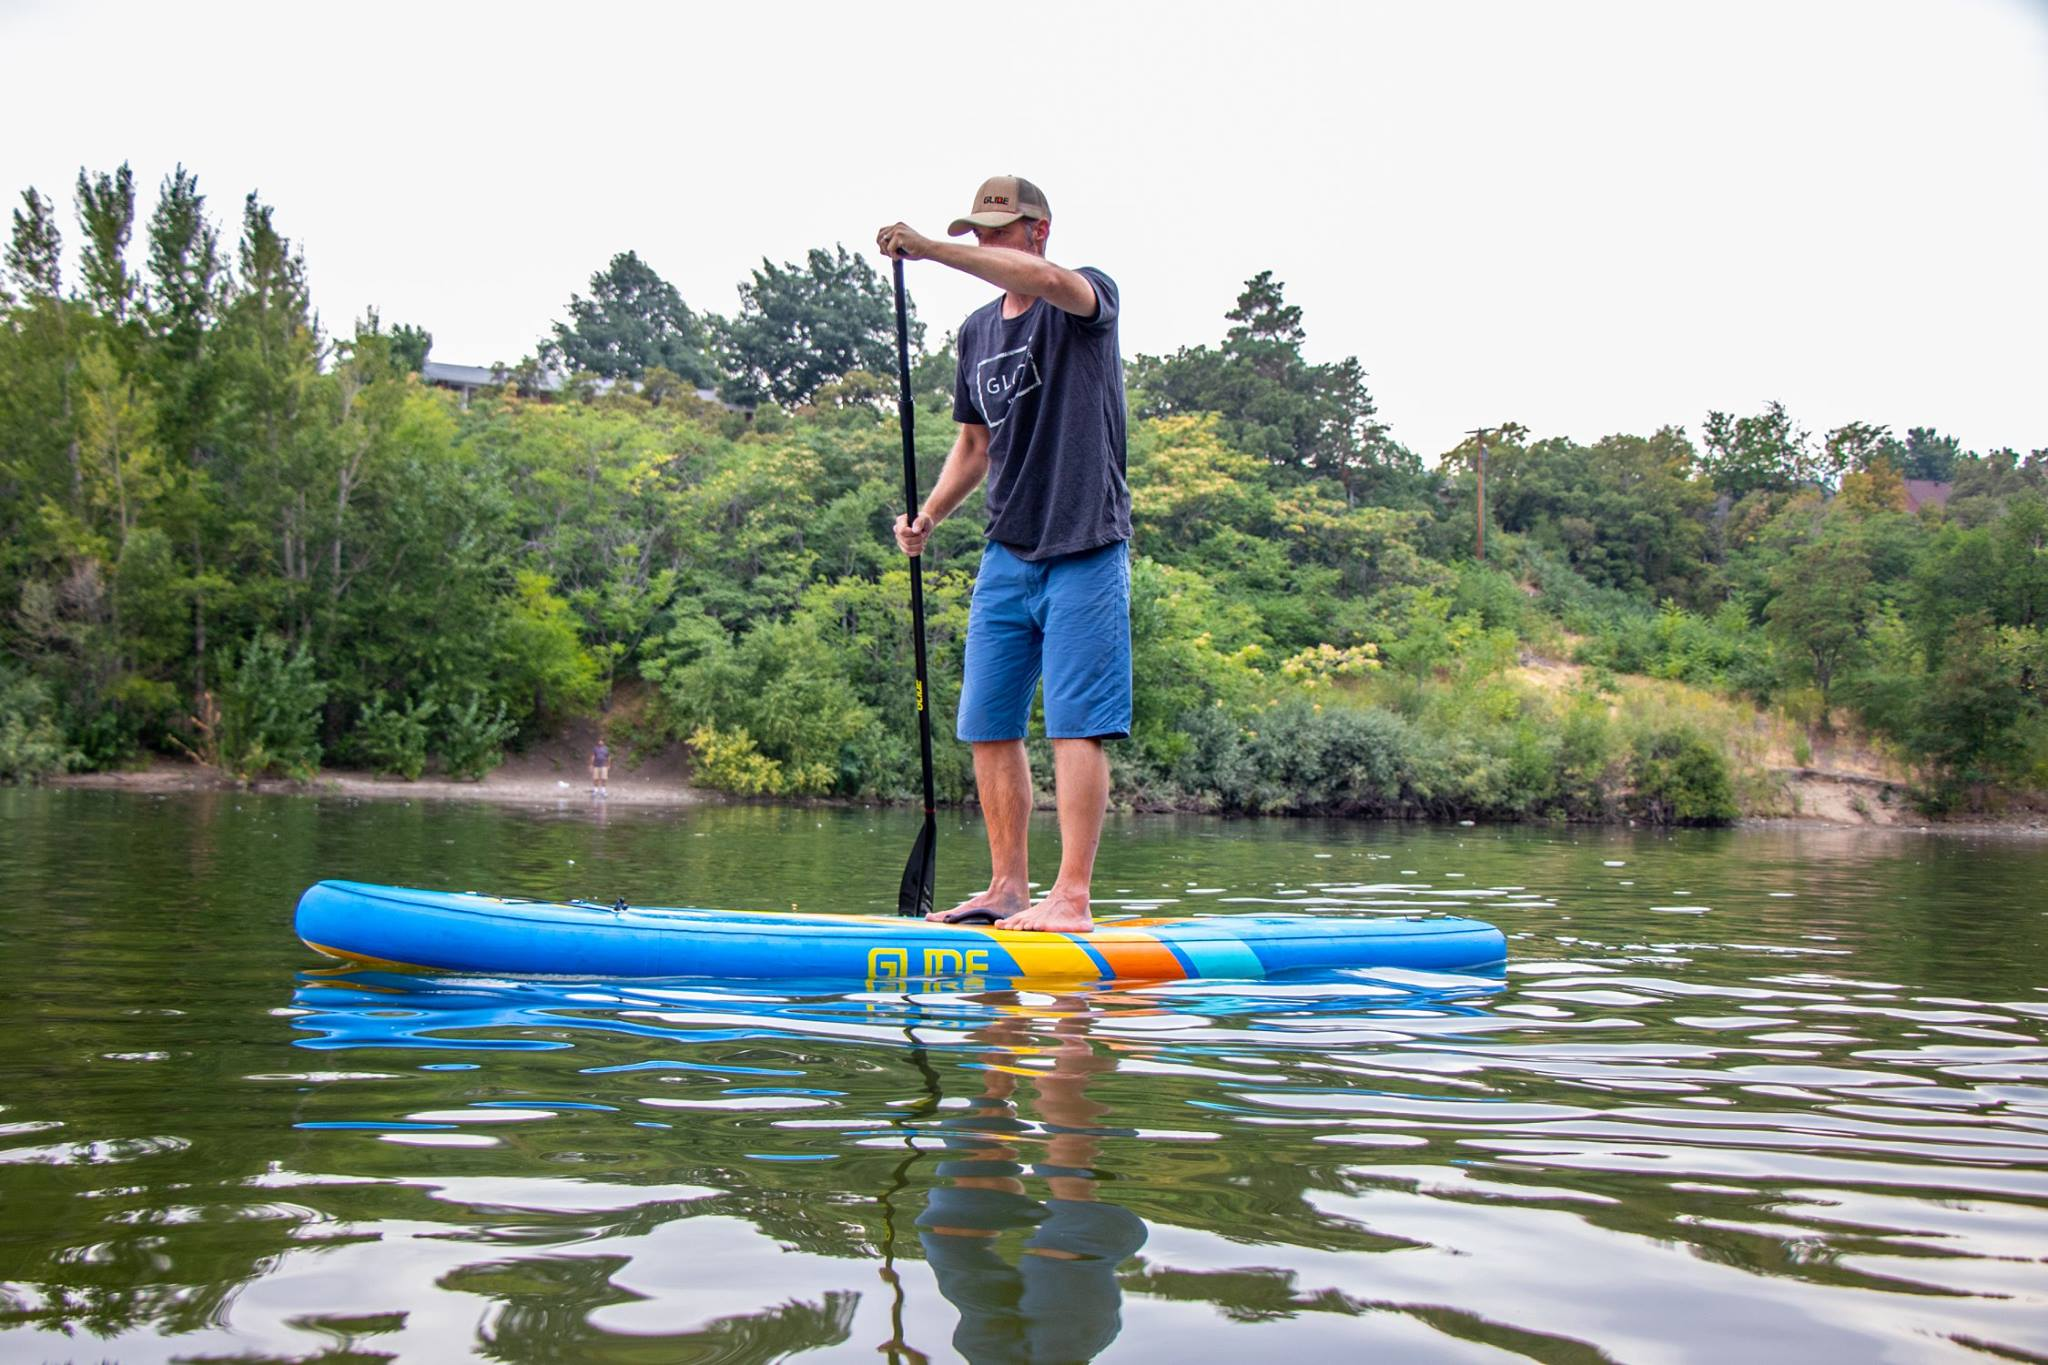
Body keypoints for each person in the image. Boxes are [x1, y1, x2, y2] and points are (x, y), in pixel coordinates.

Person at [877, 175, 1130, 935]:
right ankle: (1007, 888)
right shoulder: (977, 334)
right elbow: (973, 444)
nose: (985, 244)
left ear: (1037, 230)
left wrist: (929, 248)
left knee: (1075, 723)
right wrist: (927, 514)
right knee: (987, 721)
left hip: (1085, 542)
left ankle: (1073, 897)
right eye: (975, 232)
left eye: (996, 231)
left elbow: (1049, 283)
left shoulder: (1085, 298)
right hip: (1007, 555)